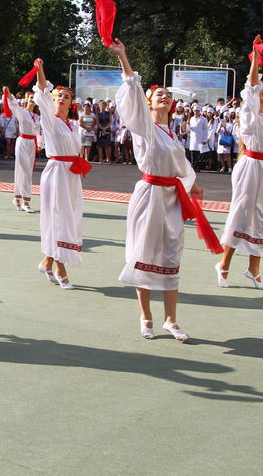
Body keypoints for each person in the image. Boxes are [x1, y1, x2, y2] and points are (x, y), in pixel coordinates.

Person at [109, 38, 207, 341]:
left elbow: (182, 167)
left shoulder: (173, 133)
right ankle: (146, 316)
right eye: (158, 94)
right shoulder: (145, 127)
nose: (163, 96)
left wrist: (194, 185)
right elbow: (134, 91)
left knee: (171, 255)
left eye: (167, 94)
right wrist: (124, 56)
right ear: (149, 104)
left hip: (172, 199)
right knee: (144, 253)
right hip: (149, 196)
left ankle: (171, 320)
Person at [215, 36, 263, 290]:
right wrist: (255, 59)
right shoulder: (249, 113)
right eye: (261, 89)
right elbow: (252, 85)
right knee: (241, 213)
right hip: (250, 165)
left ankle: (254, 269)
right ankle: (223, 264)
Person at [33, 58, 90, 290]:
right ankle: (60, 269)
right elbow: (43, 93)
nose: (61, 99)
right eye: (59, 96)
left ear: (72, 103)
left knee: (70, 218)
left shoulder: (71, 126)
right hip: (56, 172)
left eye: (66, 96)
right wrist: (41, 70)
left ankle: (46, 262)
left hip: (71, 175)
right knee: (58, 219)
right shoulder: (50, 120)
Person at [6, 88, 38, 213]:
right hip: (23, 142)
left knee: (25, 171)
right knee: (25, 171)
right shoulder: (22, 112)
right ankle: (26, 201)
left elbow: (40, 132)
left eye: (34, 99)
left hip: (32, 143)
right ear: (26, 100)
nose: (32, 100)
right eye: (31, 98)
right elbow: (13, 104)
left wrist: (40, 144)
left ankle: (17, 198)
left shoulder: (36, 116)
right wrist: (9, 94)